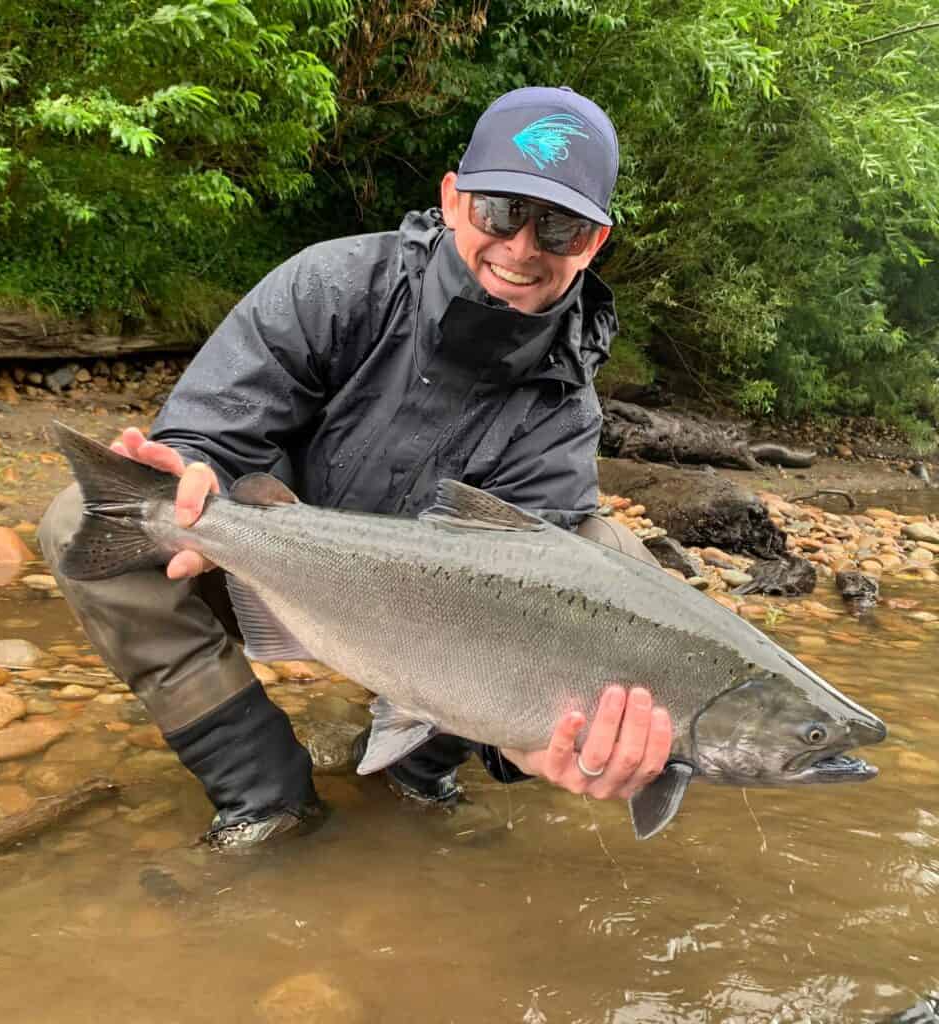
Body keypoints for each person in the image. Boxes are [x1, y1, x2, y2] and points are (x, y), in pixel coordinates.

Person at [39, 86, 673, 851]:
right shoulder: (334, 286)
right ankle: (261, 788)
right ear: (452, 198)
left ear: (594, 242)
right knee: (97, 513)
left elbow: (530, 624)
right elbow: (211, 434)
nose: (522, 246)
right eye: (501, 211)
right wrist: (189, 463)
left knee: (604, 567)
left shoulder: (563, 410)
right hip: (274, 567)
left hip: (439, 633)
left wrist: (524, 745)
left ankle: (420, 768)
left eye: (560, 226)